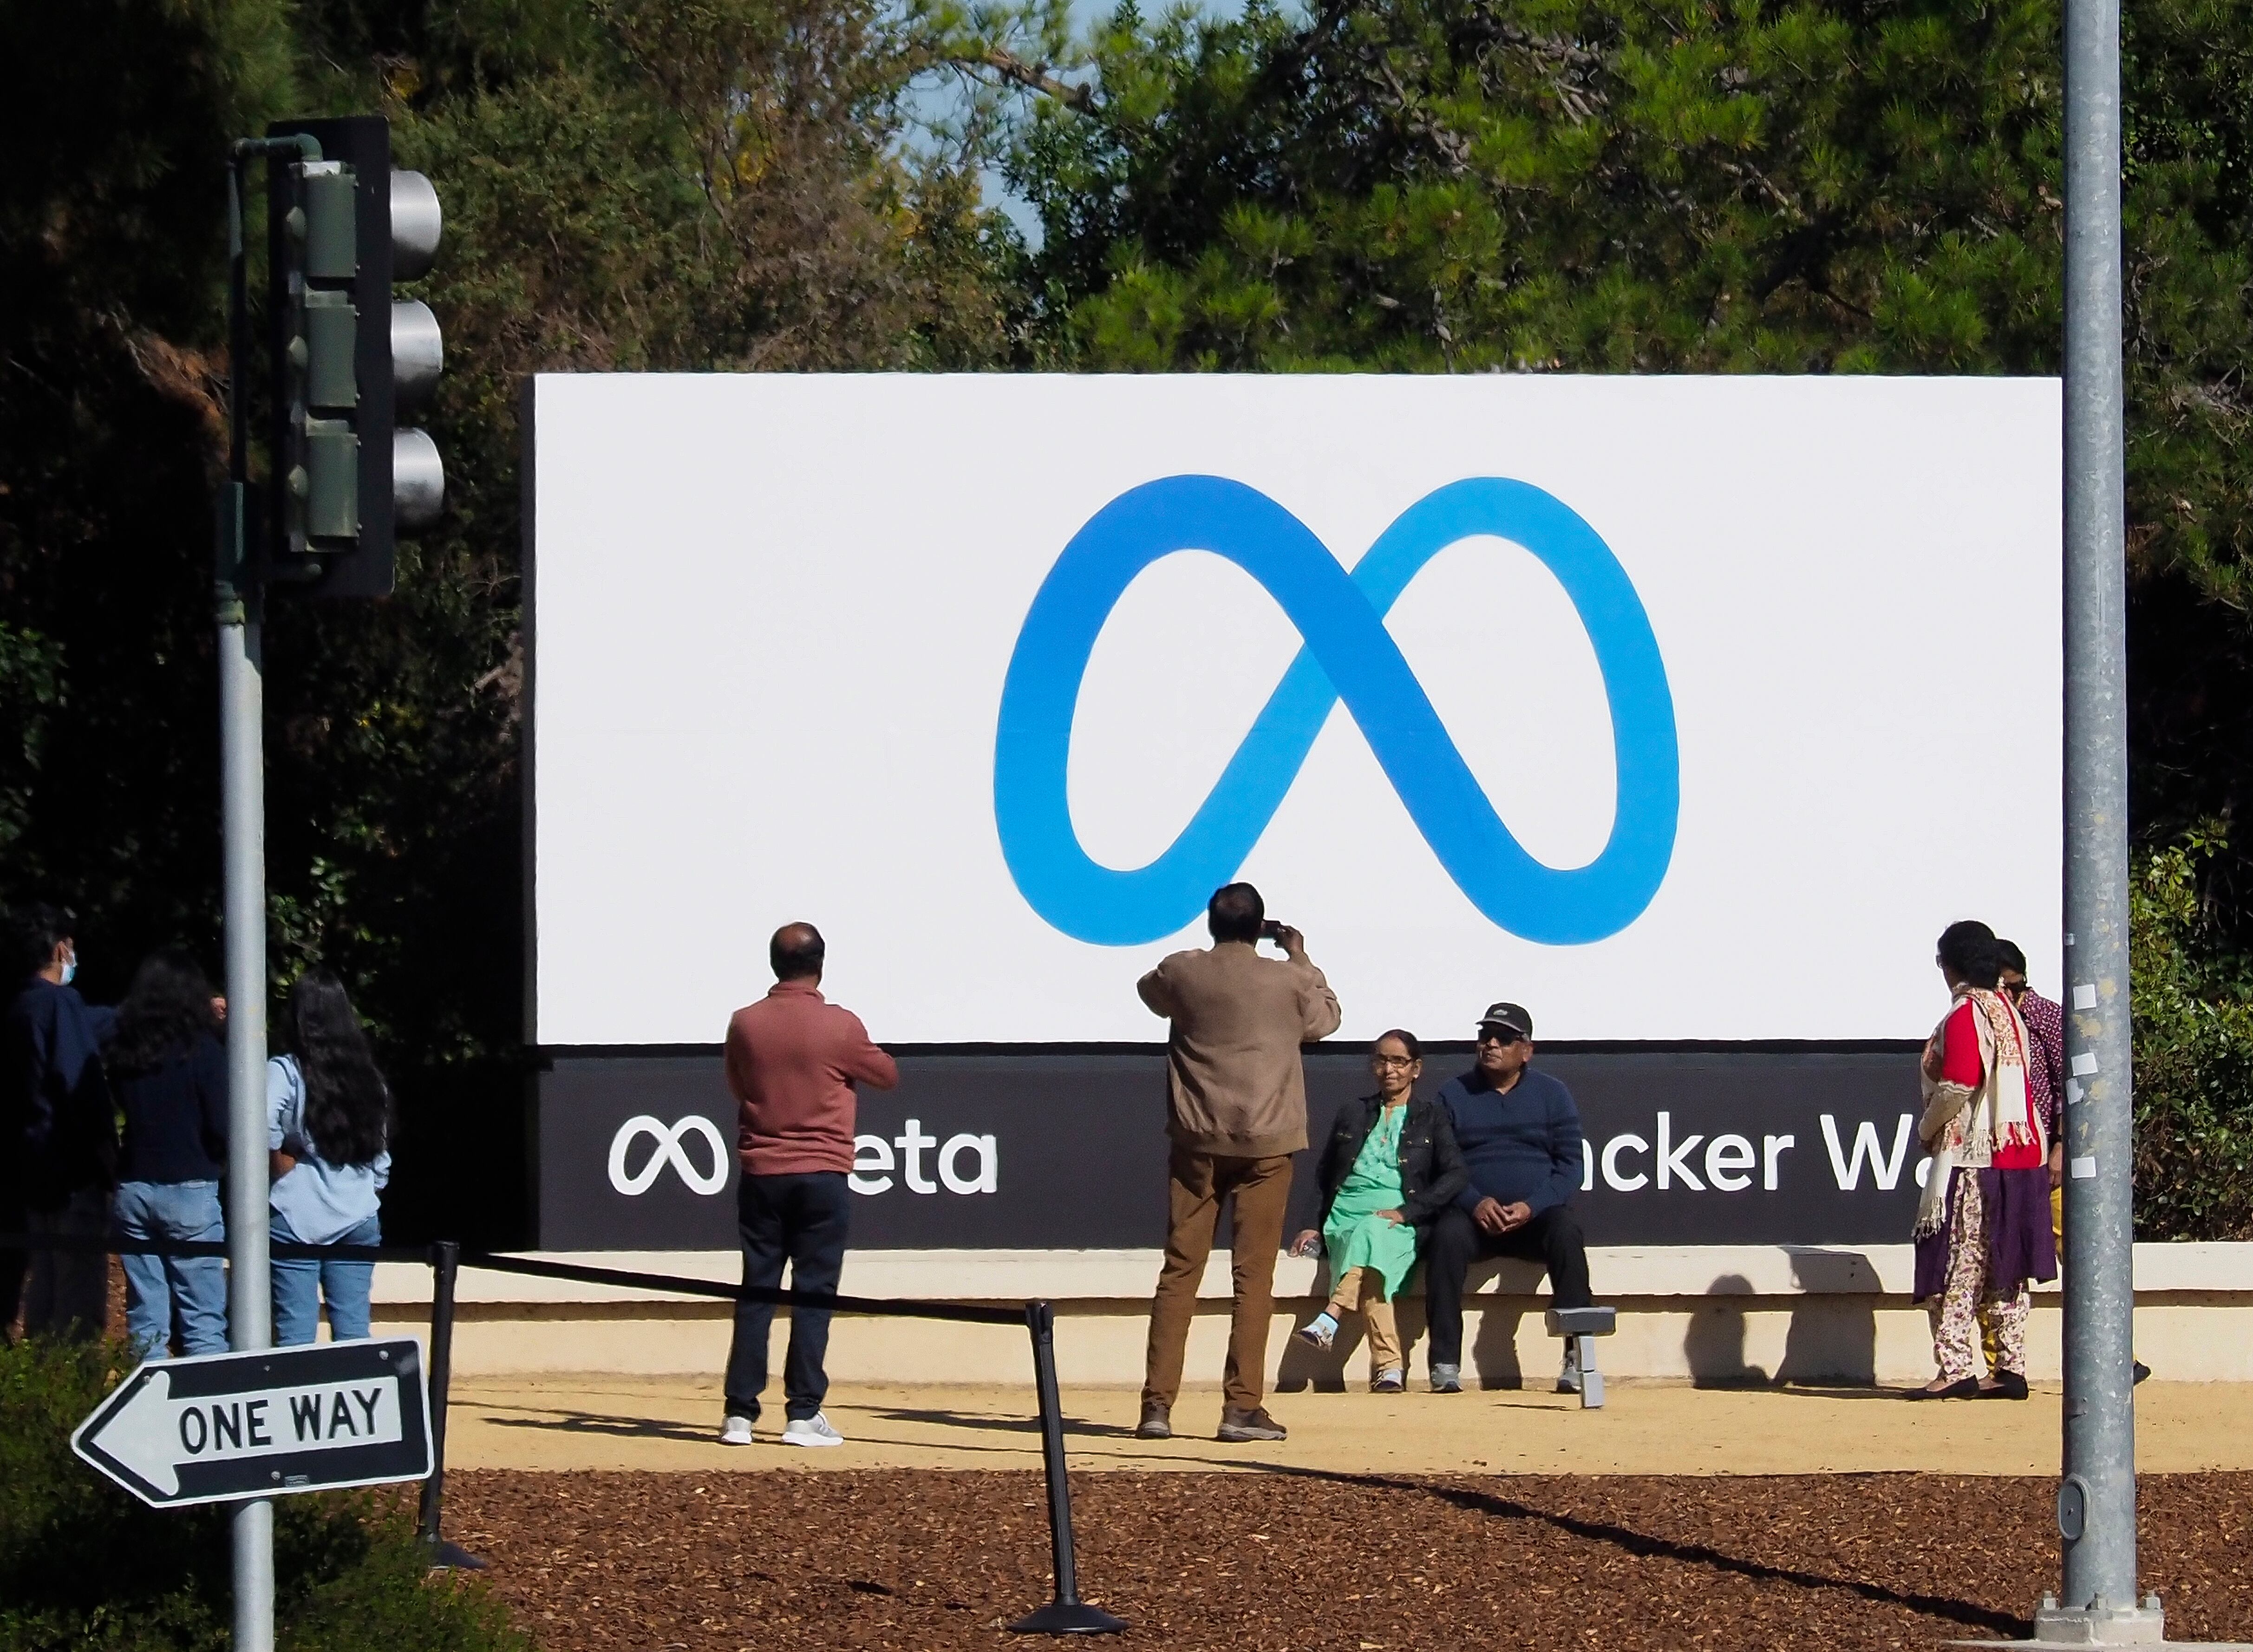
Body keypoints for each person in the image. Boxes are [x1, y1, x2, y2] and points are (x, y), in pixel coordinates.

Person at [1135, 882, 1342, 1444]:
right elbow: (1327, 1021)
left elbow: (1148, 991)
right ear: (1261, 928)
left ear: (1210, 924)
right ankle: (1241, 1408)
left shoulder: (1183, 970)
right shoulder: (1289, 978)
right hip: (1267, 1145)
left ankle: (1157, 1406)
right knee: (1254, 1279)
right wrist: (1298, 954)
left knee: (1180, 1271)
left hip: (1198, 1141)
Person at [719, 923, 897, 1448]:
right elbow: (887, 1073)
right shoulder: (839, 1025)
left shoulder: (746, 1022)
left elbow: (738, 1082)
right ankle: (803, 1413)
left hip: (762, 1172)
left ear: (774, 963)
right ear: (821, 963)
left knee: (756, 1289)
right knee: (814, 1293)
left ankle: (739, 1414)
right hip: (822, 1175)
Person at [1910, 920, 2056, 1398]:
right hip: (2021, 1154)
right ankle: (2009, 1367)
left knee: (1957, 1262)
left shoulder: (1967, 1012)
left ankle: (1955, 1367)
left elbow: (1959, 1082)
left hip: (1977, 1156)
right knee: (2006, 1265)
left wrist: (1928, 1127)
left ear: (1951, 965)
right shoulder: (2009, 1010)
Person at [1995, 938, 2148, 1386]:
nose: (2009, 995)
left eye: (2013, 986)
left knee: (2079, 1253)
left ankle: (2121, 1357)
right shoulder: (1991, 1021)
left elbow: (2073, 1084)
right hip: (2010, 1155)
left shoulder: (2046, 1016)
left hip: (2050, 1157)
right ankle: (2003, 1365)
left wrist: (2062, 1145)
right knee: (2001, 1256)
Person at [1425, 1002, 1594, 1395]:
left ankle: (1577, 1358)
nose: (1491, 1044)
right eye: (1485, 1037)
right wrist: (1474, 1202)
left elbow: (1570, 1167)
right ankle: (1444, 1362)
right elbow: (1438, 1165)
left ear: (1526, 1049)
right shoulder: (1452, 1093)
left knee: (1566, 1231)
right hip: (1474, 1220)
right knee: (1445, 1237)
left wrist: (1532, 1206)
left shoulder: (1553, 1093)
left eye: (1503, 1038)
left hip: (1533, 1219)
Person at [1291, 1031, 1466, 1391]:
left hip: (1397, 1218)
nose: (1389, 1069)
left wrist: (1408, 1211)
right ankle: (1388, 1368)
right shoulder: (1353, 1112)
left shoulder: (1430, 1116)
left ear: (1415, 1069)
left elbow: (1457, 1173)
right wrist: (1311, 1225)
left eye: (1398, 1062)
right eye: (1381, 1060)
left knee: (1373, 1233)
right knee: (1373, 1268)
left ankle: (1332, 1315)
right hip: (1345, 1215)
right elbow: (1325, 1175)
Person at [107, 949, 230, 1358]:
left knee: (147, 1316)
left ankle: (149, 1405)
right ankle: (208, 1404)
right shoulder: (203, 1051)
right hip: (191, 1188)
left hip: (134, 1186)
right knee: (203, 1320)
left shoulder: (127, 1052)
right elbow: (223, 1123)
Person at [1, 904, 116, 1340]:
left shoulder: (19, 1005)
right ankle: (79, 1389)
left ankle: (44, 1382)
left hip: (32, 1169)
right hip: (72, 1174)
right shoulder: (60, 1002)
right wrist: (104, 1160)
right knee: (79, 1291)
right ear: (59, 948)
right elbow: (78, 1085)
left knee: (45, 1283)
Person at [268, 972, 392, 1345]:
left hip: (294, 1215)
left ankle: (298, 1405)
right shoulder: (368, 1076)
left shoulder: (285, 1070)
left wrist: (283, 1154)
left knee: (295, 1335)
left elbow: (255, 1124)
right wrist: (370, 1190)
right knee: (355, 1332)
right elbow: (380, 1154)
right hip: (357, 1213)